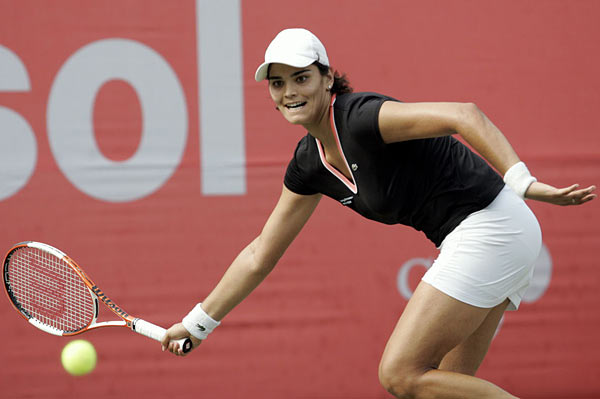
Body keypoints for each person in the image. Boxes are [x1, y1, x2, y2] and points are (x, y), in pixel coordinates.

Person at [161, 28, 596, 398]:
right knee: (449, 387)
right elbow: (260, 254)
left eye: (301, 77)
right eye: (277, 83)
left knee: (399, 374)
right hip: (494, 234)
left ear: (327, 78)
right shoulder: (309, 164)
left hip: (491, 226)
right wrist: (198, 324)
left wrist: (523, 182)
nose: (290, 92)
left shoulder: (361, 119)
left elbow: (465, 115)